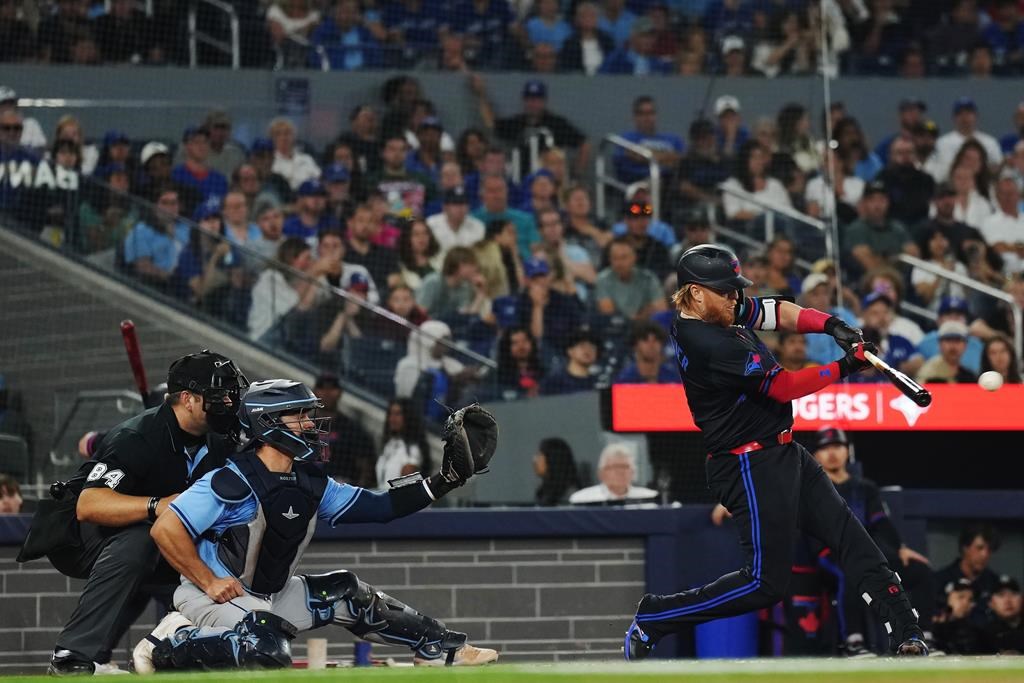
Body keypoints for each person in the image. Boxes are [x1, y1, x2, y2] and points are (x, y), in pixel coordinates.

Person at [623, 244, 927, 660]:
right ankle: (656, 617)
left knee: (855, 541)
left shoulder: (717, 309)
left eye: (735, 290)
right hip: (746, 463)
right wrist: (845, 366)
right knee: (765, 584)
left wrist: (831, 325)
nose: (736, 298)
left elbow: (775, 310)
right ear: (695, 293)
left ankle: (907, 635)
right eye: (726, 291)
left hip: (784, 451)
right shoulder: (706, 340)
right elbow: (781, 387)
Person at [133, 380, 498, 672]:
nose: (310, 424)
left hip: (269, 596)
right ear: (268, 422)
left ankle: (439, 649)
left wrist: (444, 480)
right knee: (266, 647)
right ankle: (169, 642)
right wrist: (209, 581)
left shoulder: (311, 482)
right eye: (299, 416)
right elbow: (165, 529)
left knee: (347, 591)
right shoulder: (228, 480)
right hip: (208, 596)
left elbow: (380, 506)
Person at [37, 352, 248, 675]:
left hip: (154, 535)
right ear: (188, 399)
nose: (230, 402)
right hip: (78, 537)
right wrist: (158, 504)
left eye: (232, 393)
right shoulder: (138, 436)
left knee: (188, 551)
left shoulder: (220, 439)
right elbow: (88, 505)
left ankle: (165, 654)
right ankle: (71, 655)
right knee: (145, 540)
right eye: (219, 395)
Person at [808, 426, 936, 655]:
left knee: (920, 571)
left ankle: (923, 636)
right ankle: (853, 642)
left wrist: (901, 549)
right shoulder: (813, 489)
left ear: (847, 451)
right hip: (832, 553)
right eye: (825, 448)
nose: (832, 453)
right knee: (850, 572)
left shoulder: (864, 488)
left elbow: (881, 524)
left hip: (870, 553)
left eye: (837, 446)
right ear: (816, 455)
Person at [313, 374, 377, 489]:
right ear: (314, 392)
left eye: (332, 388)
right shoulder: (303, 427)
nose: (327, 393)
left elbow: (367, 467)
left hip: (341, 490)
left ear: (340, 393)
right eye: (322, 388)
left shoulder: (352, 429)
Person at [934, 524, 1003, 621]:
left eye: (989, 549)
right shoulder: (939, 580)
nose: (985, 555)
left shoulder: (994, 583)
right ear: (965, 548)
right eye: (980, 548)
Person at [595, 237, 665, 320]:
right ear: (609, 259)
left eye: (624, 257)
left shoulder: (648, 278)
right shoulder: (603, 279)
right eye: (615, 258)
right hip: (615, 328)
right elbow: (608, 313)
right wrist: (645, 312)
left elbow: (661, 309)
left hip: (644, 327)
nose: (619, 263)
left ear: (634, 257)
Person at [569, 443, 657, 505]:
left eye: (625, 466)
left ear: (633, 472)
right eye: (615, 467)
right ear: (601, 473)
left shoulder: (651, 498)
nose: (621, 471)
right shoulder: (582, 499)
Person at [375, 398, 431, 491]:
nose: (392, 419)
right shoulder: (389, 444)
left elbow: (407, 488)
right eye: (391, 414)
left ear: (407, 417)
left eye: (397, 414)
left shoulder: (412, 449)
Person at [539, 327, 600, 395]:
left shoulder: (599, 383)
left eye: (592, 347)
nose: (588, 350)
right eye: (582, 346)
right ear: (570, 351)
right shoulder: (553, 383)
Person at [496, 327, 545, 398]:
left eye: (525, 341)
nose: (521, 346)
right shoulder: (501, 374)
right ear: (507, 347)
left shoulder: (543, 369)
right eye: (515, 343)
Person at [533, 437, 580, 506]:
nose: (535, 459)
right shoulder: (543, 492)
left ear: (553, 459)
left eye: (540, 454)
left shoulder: (571, 496)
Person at [983, 575, 1024, 654]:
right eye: (1001, 595)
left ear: (1022, 599)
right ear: (991, 603)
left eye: (1013, 594)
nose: (1008, 600)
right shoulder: (983, 634)